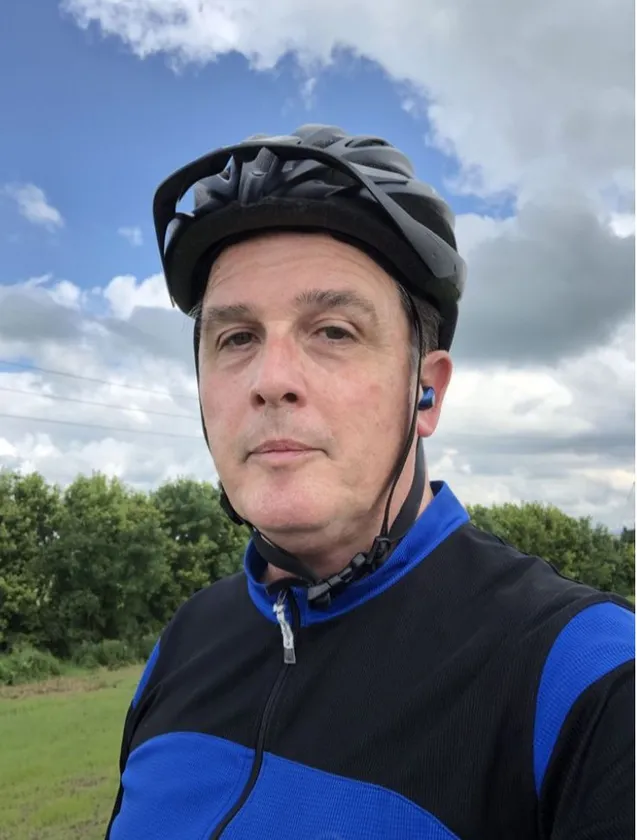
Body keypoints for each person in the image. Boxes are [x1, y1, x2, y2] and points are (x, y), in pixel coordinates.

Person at [105, 125, 635, 839]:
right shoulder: (187, 639)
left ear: (426, 392)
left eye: (334, 331)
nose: (271, 380)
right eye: (236, 337)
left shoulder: (589, 675)